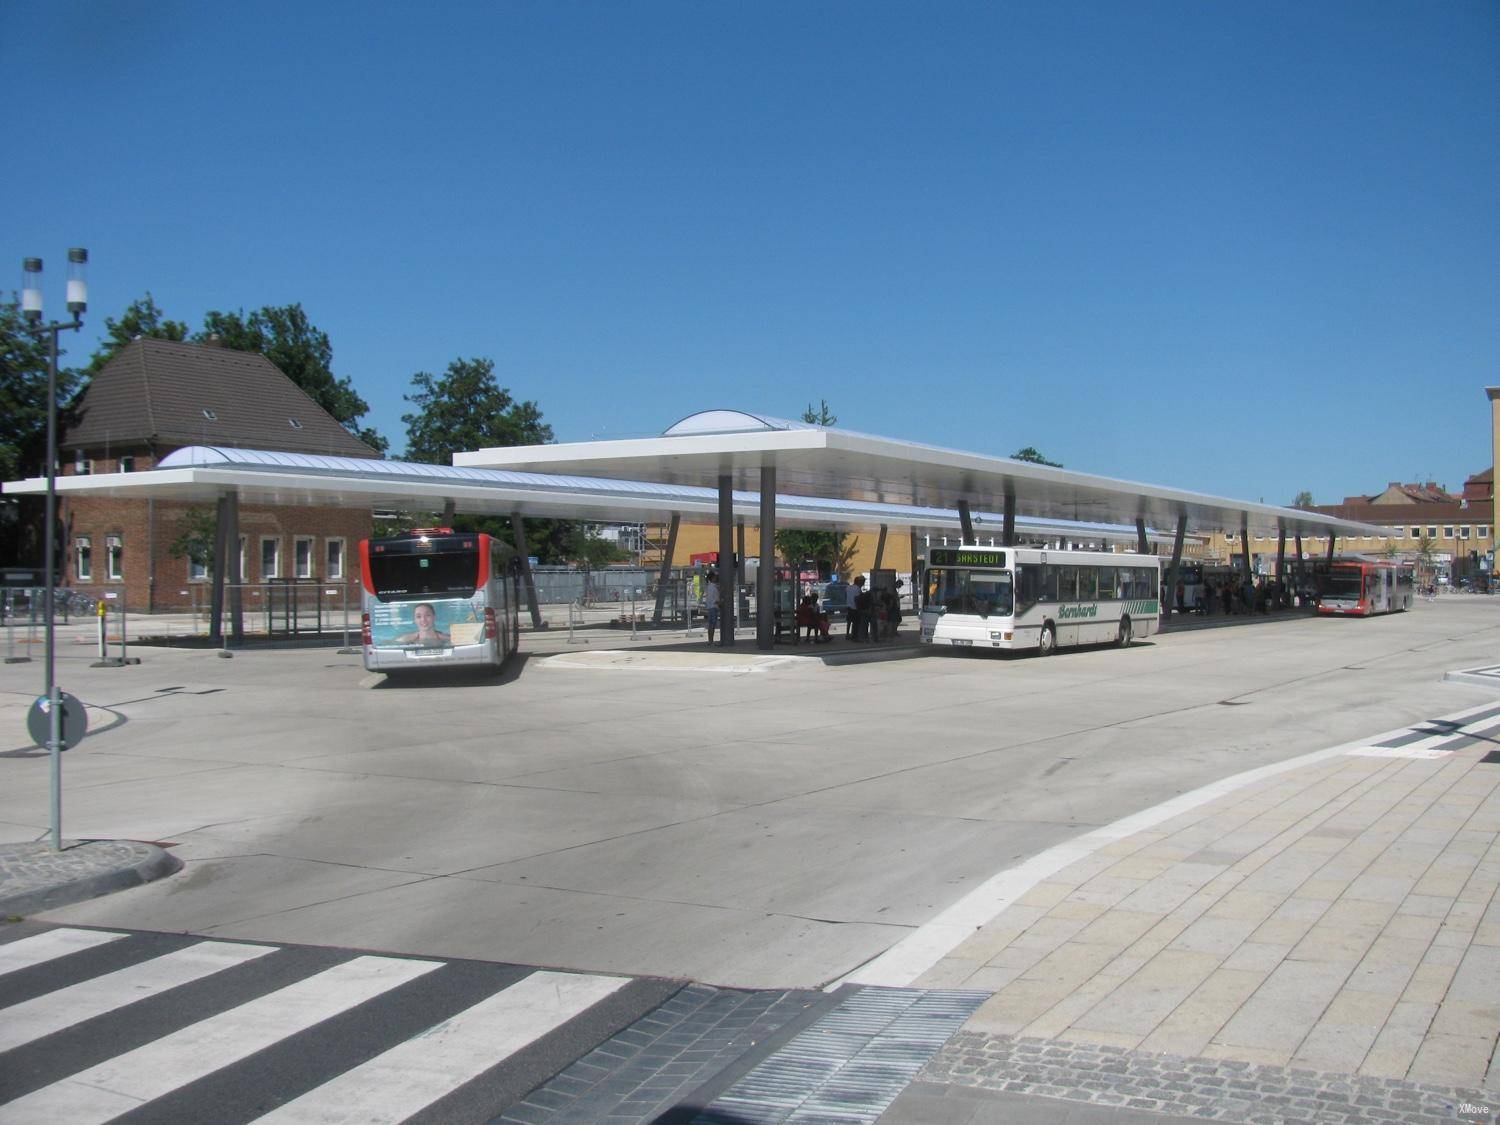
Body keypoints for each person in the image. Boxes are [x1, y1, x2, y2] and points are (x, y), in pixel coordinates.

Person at [846, 575, 865, 640]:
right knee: (856, 623)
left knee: (849, 621)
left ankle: (847, 635)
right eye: (863, 582)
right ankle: (854, 636)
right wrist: (859, 609)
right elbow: (857, 599)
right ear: (859, 582)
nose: (863, 583)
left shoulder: (848, 587)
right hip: (855, 608)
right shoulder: (858, 589)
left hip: (849, 607)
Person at [704, 570, 720, 644]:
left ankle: (710, 640)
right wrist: (720, 602)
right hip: (713, 607)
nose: (716, 578)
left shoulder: (711, 586)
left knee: (712, 624)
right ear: (712, 578)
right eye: (715, 577)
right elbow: (713, 599)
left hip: (711, 607)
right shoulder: (711, 587)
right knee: (712, 624)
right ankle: (711, 641)